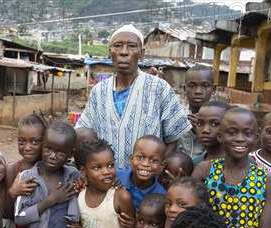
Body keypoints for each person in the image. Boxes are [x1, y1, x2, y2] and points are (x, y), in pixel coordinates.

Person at [76, 24, 191, 169]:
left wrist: (157, 173)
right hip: (105, 181)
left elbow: (173, 138)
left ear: (142, 53)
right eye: (117, 46)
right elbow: (84, 133)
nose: (124, 52)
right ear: (110, 51)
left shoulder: (159, 88)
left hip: (145, 183)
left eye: (132, 46)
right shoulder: (98, 91)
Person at [193, 107, 271, 228]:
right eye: (232, 132)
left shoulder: (268, 180)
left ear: (256, 137)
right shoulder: (205, 170)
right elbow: (191, 214)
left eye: (247, 133)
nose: (240, 139)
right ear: (220, 136)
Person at [5, 114, 46, 228]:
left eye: (35, 141)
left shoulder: (51, 167)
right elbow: (8, 213)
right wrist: (12, 193)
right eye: (22, 141)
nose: (27, 147)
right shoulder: (13, 169)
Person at [116, 135, 167, 211]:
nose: (145, 164)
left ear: (161, 166)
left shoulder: (162, 197)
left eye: (153, 160)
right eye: (140, 157)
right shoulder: (115, 176)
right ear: (131, 159)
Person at [177, 64, 216, 160]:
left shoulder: (222, 119)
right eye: (192, 86)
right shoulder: (176, 118)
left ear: (213, 89)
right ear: (185, 89)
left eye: (205, 86)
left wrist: (201, 132)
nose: (198, 91)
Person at [191, 100, 233, 167]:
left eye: (215, 124)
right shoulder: (196, 163)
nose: (205, 130)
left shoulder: (242, 163)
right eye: (200, 124)